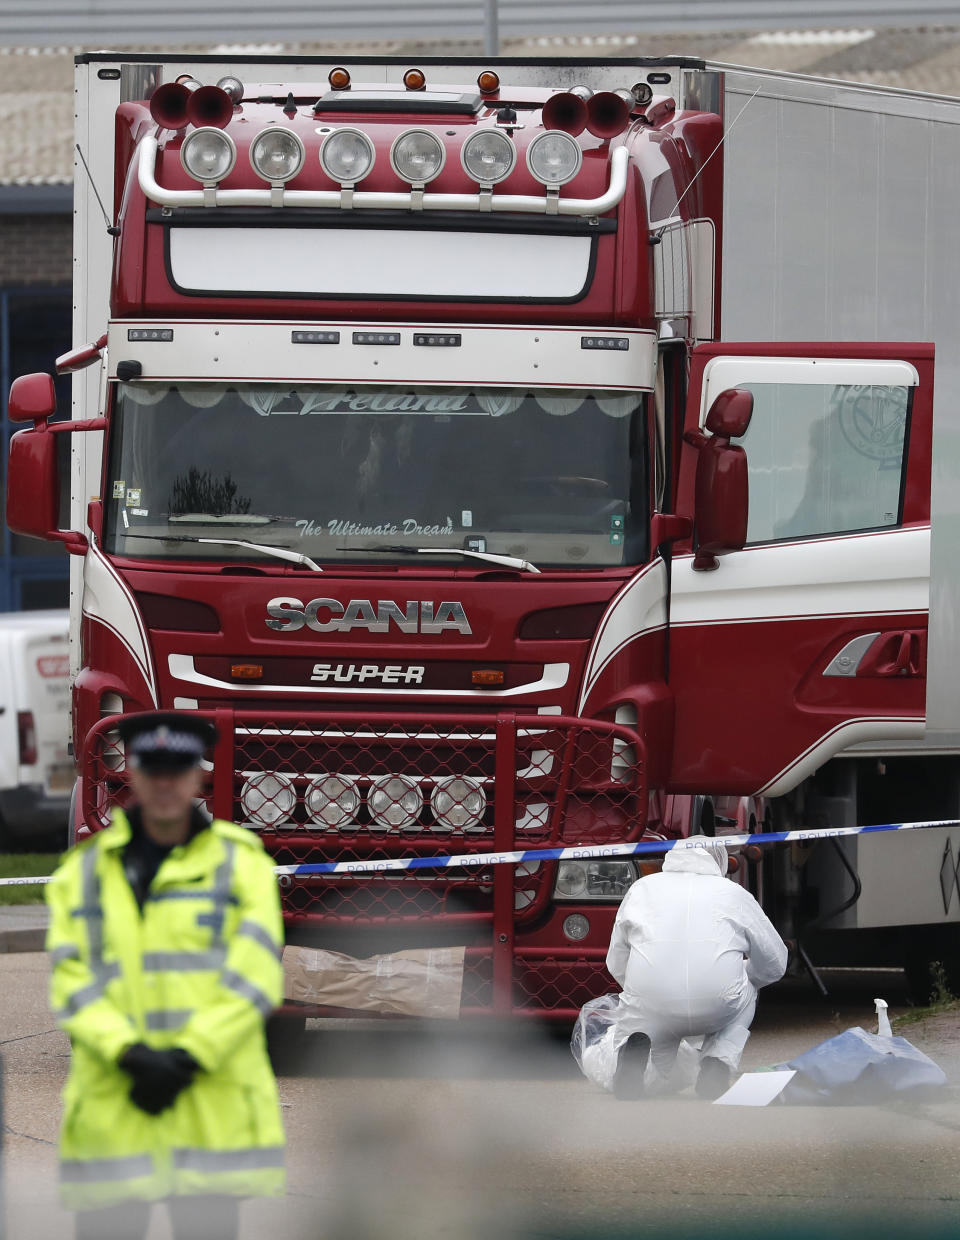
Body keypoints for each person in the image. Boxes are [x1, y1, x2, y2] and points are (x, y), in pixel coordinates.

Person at [45, 711, 286, 1240]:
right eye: (153, 767)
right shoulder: (83, 875)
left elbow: (255, 975)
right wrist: (129, 1054)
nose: (164, 783)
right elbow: (72, 980)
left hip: (207, 1110)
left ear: (198, 775)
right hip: (118, 1111)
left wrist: (189, 1055)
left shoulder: (241, 865)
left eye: (177, 768)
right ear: (132, 770)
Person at [603, 836, 788, 1101]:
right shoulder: (733, 893)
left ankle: (634, 1064)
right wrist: (748, 976)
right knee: (748, 985)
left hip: (652, 1005)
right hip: (718, 1004)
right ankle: (717, 1061)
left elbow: (616, 959)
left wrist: (644, 992)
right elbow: (774, 962)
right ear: (719, 861)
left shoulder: (642, 888)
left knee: (653, 1042)